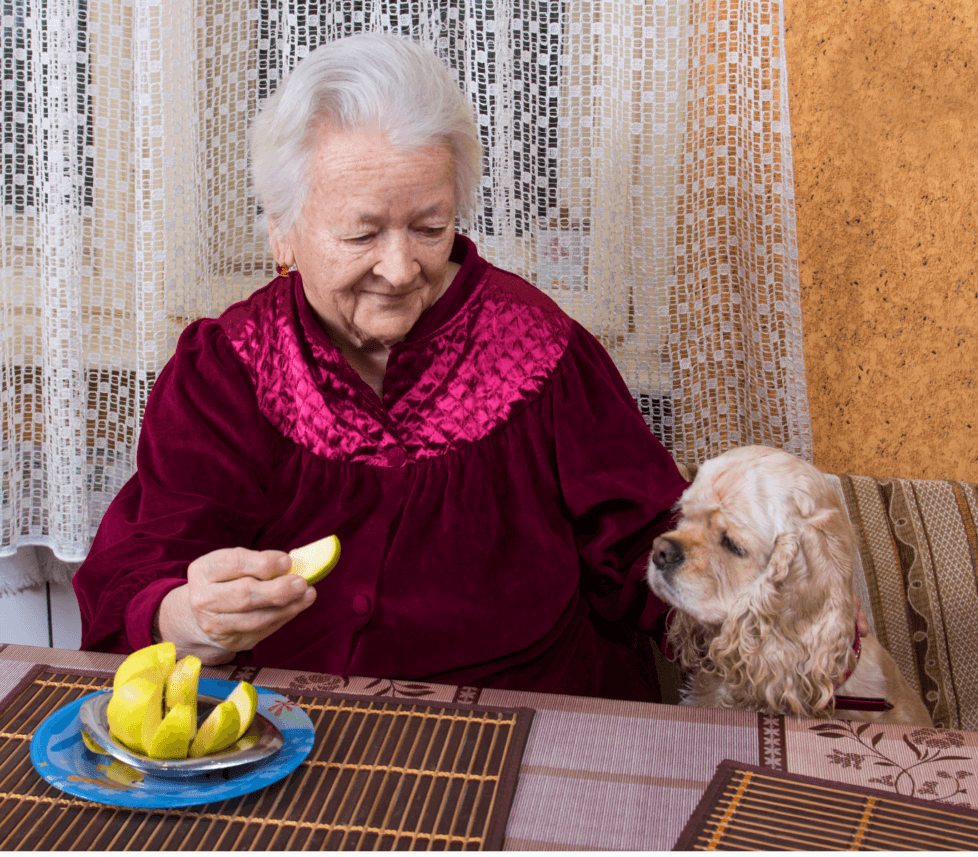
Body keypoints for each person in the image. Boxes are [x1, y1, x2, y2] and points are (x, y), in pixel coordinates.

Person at [72, 32, 688, 703]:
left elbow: (648, 552)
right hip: (288, 726)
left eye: (430, 228)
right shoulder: (227, 371)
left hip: (526, 719)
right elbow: (143, 571)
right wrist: (183, 618)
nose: (399, 271)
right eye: (362, 234)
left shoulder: (540, 352)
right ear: (283, 230)